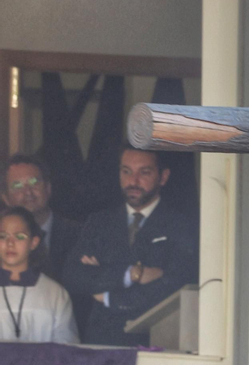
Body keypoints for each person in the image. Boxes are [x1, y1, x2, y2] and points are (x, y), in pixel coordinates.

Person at [60, 147, 199, 346]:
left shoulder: (180, 225)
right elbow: (74, 276)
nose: (133, 181)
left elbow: (175, 284)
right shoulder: (99, 222)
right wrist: (133, 274)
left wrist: (109, 297)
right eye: (126, 171)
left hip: (156, 342)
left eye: (144, 172)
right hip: (103, 343)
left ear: (163, 177)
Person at [0, 206, 78, 343]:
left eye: (19, 236)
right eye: (3, 236)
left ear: (33, 242)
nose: (10, 243)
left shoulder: (54, 293)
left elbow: (66, 348)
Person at [5, 154, 81, 283]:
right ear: (5, 198)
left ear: (48, 188)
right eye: (17, 186)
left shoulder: (80, 235)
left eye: (34, 182)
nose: (28, 192)